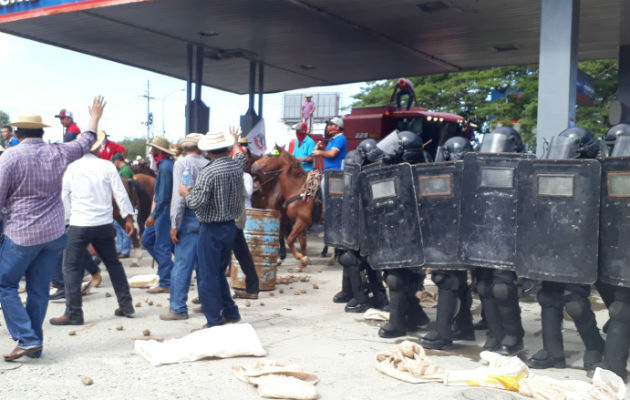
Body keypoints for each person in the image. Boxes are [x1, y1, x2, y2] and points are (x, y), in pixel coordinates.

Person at [0, 96, 104, 361]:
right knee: (38, 289)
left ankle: (28, 338)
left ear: (18, 133)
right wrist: (94, 117)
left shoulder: (9, 158)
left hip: (22, 234)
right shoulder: (57, 151)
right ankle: (34, 343)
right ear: (42, 132)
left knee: (5, 284)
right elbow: (86, 141)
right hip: (54, 233)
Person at [527, 127, 605, 374]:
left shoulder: (598, 174)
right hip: (552, 243)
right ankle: (553, 352)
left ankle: (595, 348)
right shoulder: (545, 172)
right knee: (548, 297)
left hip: (580, 246)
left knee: (575, 303)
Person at [49, 131, 136, 325]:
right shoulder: (107, 166)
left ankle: (74, 313)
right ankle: (126, 305)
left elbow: (64, 198)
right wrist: (128, 218)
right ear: (97, 147)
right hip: (103, 224)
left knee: (70, 267)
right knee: (113, 264)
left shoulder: (71, 168)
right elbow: (120, 193)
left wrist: (66, 220)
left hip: (80, 223)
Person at [181, 130, 246, 330]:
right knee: (217, 273)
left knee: (208, 276)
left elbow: (194, 203)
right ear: (226, 148)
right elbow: (241, 155)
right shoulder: (236, 166)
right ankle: (230, 312)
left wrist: (185, 193)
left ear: (208, 151)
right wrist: (235, 141)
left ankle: (213, 321)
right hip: (231, 226)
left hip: (211, 228)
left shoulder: (208, 173)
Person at [160, 133, 208, 321]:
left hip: (188, 217)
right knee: (204, 265)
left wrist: (174, 223)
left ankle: (178, 308)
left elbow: (179, 196)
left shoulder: (182, 164)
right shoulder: (207, 164)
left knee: (182, 265)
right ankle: (207, 302)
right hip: (206, 218)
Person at [143, 136, 175, 294]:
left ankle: (166, 281)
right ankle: (171, 271)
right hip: (163, 209)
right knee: (148, 240)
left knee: (161, 245)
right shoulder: (165, 165)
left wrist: (153, 215)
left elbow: (163, 195)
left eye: (153, 148)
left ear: (158, 150)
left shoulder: (165, 167)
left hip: (163, 210)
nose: (150, 151)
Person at [313, 116, 347, 257]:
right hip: (329, 174)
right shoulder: (333, 140)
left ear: (337, 127)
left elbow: (332, 154)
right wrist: (322, 149)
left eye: (331, 125)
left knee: (332, 206)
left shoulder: (340, 139)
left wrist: (320, 152)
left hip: (335, 176)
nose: (328, 127)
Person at [232, 167, 259, 300]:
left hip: (229, 219)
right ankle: (253, 289)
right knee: (243, 254)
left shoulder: (242, 176)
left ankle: (208, 295)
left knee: (216, 258)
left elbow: (247, 192)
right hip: (236, 218)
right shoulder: (237, 175)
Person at [112, 153, 133, 258]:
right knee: (117, 226)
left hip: (122, 203)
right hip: (120, 203)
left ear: (116, 161)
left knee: (122, 227)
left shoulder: (124, 171)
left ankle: (124, 249)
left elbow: (124, 189)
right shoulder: (124, 170)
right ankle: (120, 249)